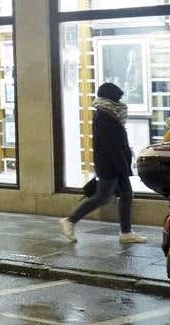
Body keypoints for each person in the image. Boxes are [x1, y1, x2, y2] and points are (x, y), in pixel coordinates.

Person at [61, 83, 148, 244]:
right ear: (111, 96)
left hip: (114, 163)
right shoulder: (105, 115)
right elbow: (112, 145)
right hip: (111, 164)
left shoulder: (108, 113)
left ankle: (126, 232)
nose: (121, 100)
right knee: (103, 197)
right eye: (118, 96)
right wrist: (122, 166)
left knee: (123, 195)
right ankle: (71, 220)